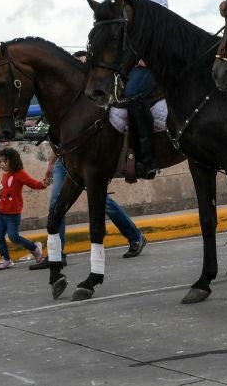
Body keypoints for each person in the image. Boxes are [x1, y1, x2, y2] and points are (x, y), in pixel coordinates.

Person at [29, 51, 148, 270]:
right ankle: (58, 254)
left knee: (103, 203)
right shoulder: (65, 101)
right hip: (66, 159)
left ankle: (135, 236)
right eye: (79, 64)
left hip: (86, 158)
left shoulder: (92, 99)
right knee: (57, 204)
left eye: (84, 63)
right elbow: (62, 139)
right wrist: (51, 163)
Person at [100, 0, 168, 180]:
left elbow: (162, 32)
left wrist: (143, 59)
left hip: (154, 62)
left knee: (133, 93)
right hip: (133, 62)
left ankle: (148, 160)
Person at [0, 147, 50, 270]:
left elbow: (32, 183)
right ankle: (6, 259)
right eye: (0, 161)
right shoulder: (6, 175)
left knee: (13, 237)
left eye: (5, 161)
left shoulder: (19, 174)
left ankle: (35, 247)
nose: (2, 164)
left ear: (12, 161)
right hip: (1, 213)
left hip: (13, 214)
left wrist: (43, 184)